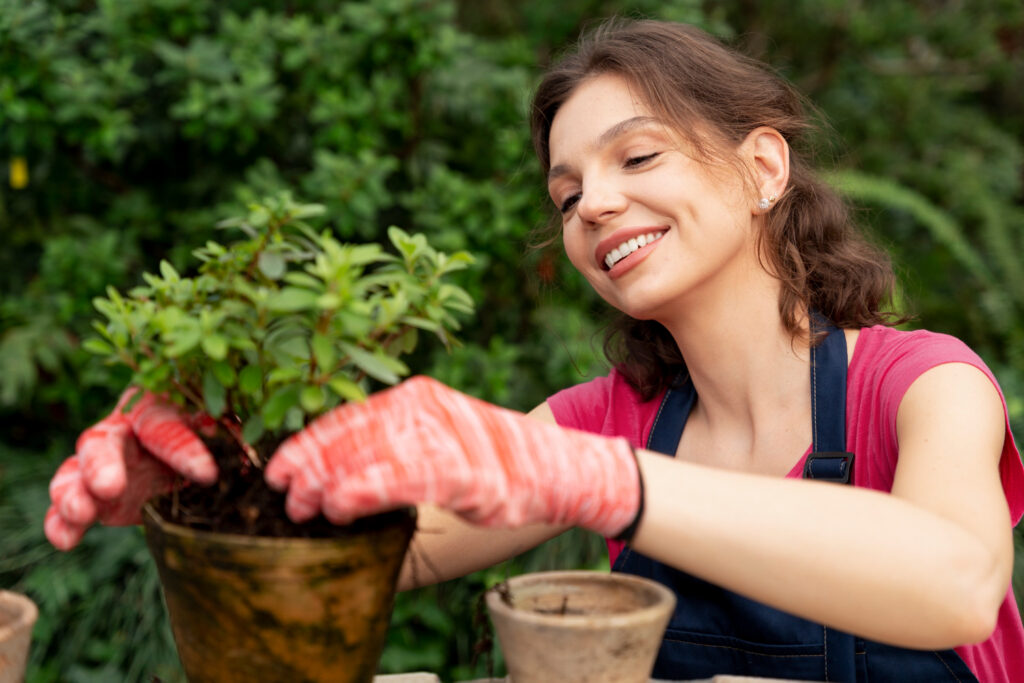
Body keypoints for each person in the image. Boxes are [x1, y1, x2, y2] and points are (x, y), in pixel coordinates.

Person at [45, 18, 1024, 682]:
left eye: (637, 156)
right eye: (567, 193)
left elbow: (956, 583)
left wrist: (602, 480)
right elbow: (371, 552)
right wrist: (204, 486)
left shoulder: (920, 383)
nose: (593, 203)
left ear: (763, 166)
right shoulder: (601, 420)